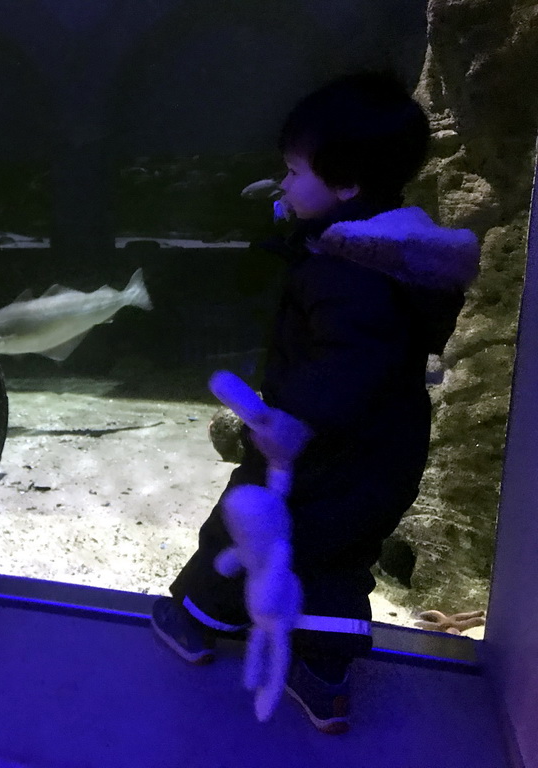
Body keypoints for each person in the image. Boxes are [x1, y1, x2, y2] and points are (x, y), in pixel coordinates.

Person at [150, 71, 481, 734]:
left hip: (312, 445)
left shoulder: (347, 271)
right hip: (385, 450)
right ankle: (325, 676)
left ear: (347, 184)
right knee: (337, 555)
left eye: (294, 171)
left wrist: (294, 421)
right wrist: (291, 216)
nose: (286, 182)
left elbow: (347, 359)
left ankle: (196, 619)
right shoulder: (399, 253)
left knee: (247, 527)